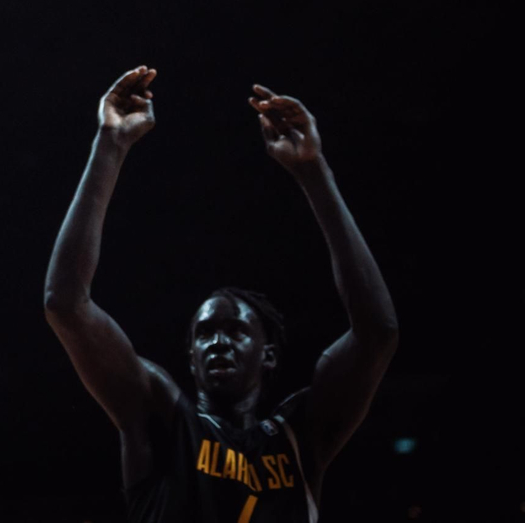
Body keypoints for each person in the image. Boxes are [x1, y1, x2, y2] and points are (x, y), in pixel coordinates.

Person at [44, 67, 398, 521]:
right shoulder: (163, 419)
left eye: (236, 331)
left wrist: (314, 171)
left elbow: (378, 332)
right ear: (190, 356)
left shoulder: (300, 436)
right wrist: (109, 143)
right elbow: (65, 304)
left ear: (268, 355)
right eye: (205, 333)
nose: (218, 342)